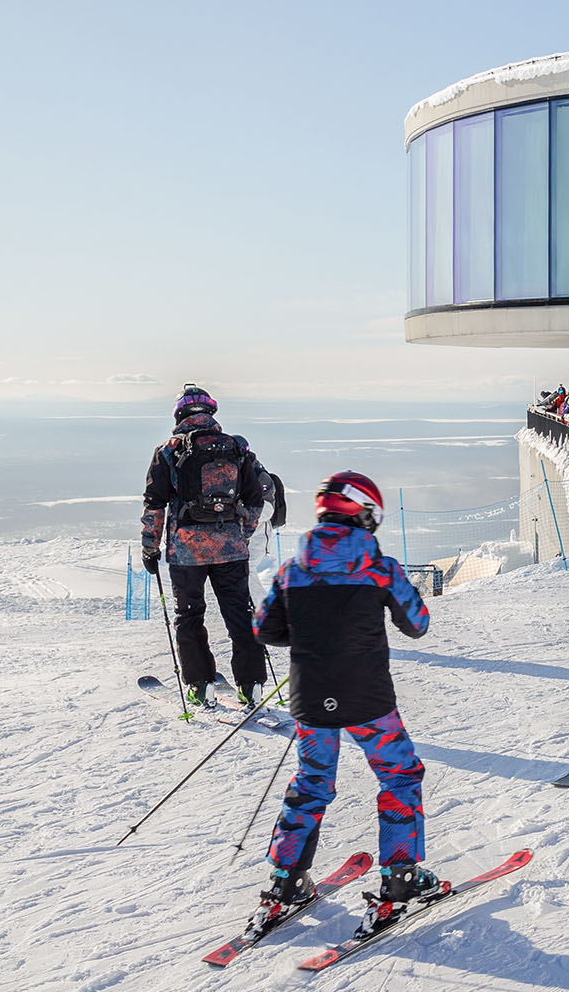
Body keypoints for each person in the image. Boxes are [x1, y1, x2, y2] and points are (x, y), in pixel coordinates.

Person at [255, 471, 440, 927]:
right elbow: (417, 623)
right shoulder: (380, 567)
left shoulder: (291, 570)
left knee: (312, 782)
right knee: (399, 775)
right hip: (368, 699)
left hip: (312, 700)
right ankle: (400, 875)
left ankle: (286, 878)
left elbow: (265, 630)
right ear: (362, 513)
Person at [140, 384, 274, 711]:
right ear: (211, 412)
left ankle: (201, 687)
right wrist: (240, 535)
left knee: (189, 616)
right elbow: (256, 501)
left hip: (187, 552)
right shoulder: (237, 448)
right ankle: (252, 686)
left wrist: (150, 547)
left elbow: (154, 505)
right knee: (240, 613)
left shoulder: (169, 451)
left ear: (179, 414)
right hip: (231, 548)